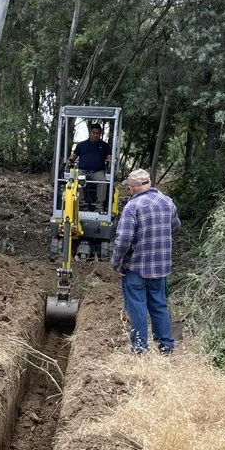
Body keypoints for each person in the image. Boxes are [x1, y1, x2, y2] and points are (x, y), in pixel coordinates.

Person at [110, 168, 181, 354]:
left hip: (136, 267)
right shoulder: (167, 202)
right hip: (160, 267)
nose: (129, 191)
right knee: (159, 304)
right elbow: (175, 227)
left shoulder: (132, 207)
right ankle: (166, 346)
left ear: (133, 188)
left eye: (130, 188)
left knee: (137, 306)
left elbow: (123, 239)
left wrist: (116, 263)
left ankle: (141, 348)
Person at [68, 123, 111, 212]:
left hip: (97, 171)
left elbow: (109, 157)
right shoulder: (81, 145)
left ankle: (99, 207)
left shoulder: (105, 146)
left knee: (103, 182)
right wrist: (70, 160)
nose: (95, 135)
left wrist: (110, 161)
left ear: (100, 134)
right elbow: (74, 155)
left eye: (98, 133)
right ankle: (82, 205)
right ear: (90, 133)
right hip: (83, 171)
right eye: (93, 133)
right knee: (77, 180)